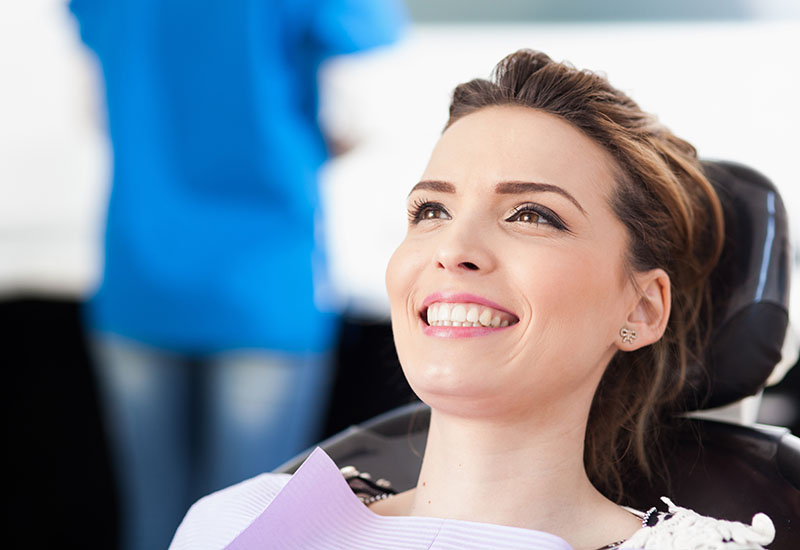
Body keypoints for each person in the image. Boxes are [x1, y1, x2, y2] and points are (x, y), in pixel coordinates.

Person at [168, 50, 776, 550]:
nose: (454, 247)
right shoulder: (231, 523)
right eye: (431, 210)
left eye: (531, 214)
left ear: (641, 309)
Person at [68, 1, 405, 550]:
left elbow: (94, 113)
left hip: (140, 272)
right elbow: (358, 121)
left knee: (156, 523)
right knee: (253, 531)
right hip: (265, 283)